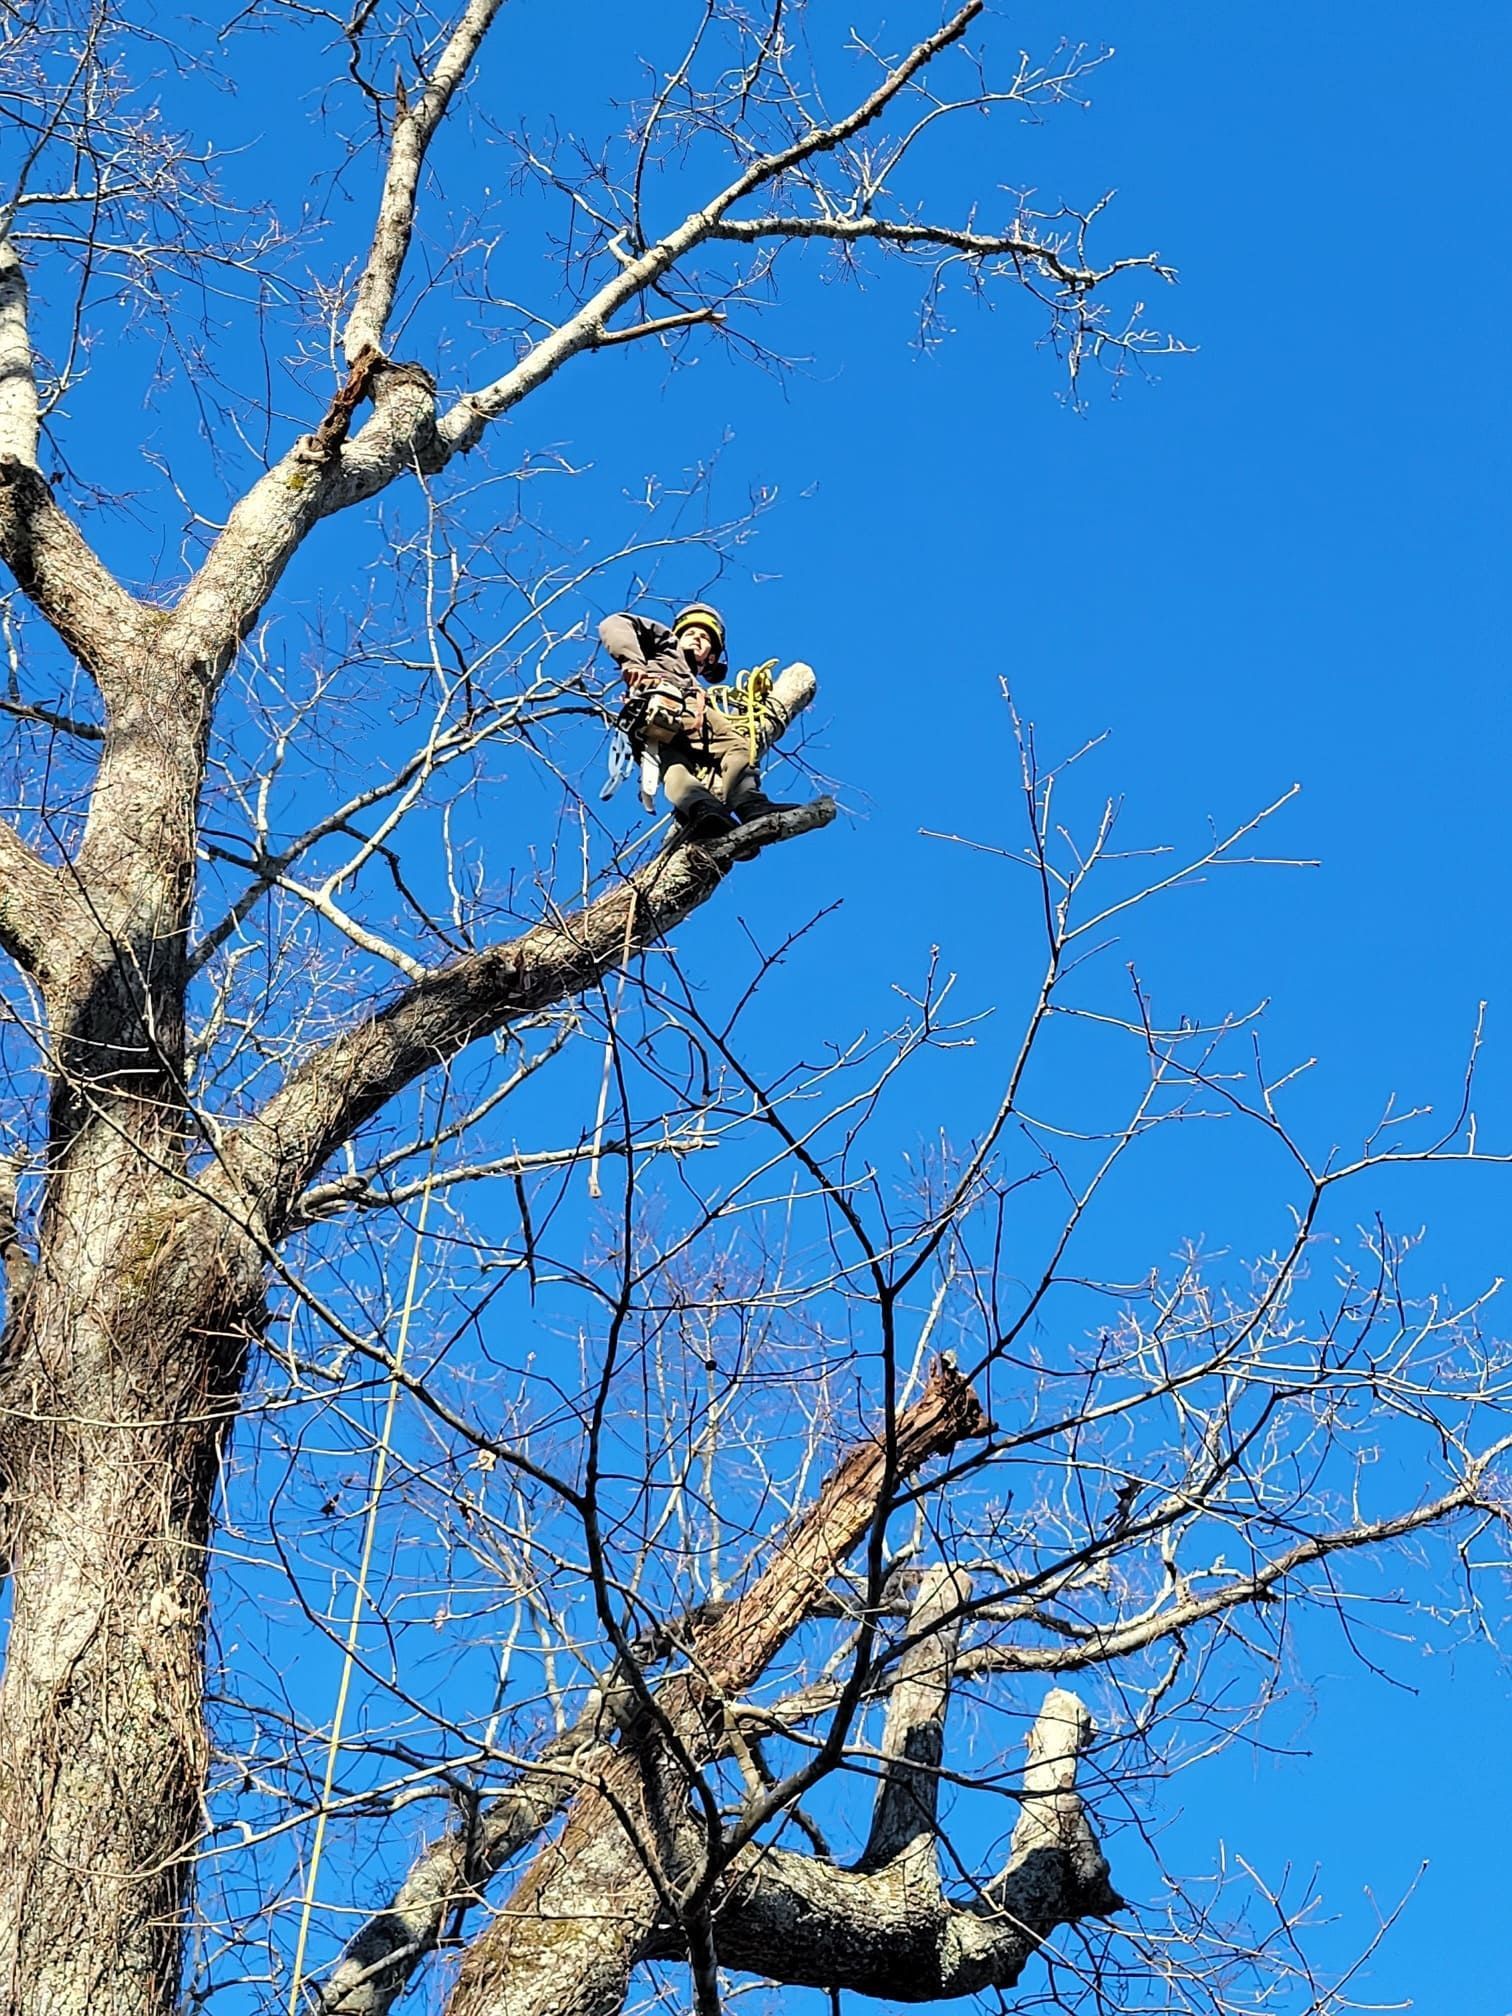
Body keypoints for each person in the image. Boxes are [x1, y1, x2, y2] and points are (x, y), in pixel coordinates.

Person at [598, 602, 797, 842]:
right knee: (735, 746)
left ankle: (705, 812)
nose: (696, 638)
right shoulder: (666, 645)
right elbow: (615, 623)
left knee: (674, 767)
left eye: (704, 637)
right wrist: (631, 661)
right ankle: (749, 805)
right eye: (690, 633)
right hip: (669, 703)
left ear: (711, 657)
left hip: (655, 720)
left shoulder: (698, 685)